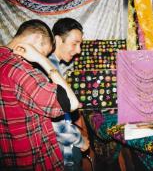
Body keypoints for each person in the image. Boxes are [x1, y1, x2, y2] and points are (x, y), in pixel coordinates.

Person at [0, 19, 80, 170]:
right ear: (36, 39)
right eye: (44, 52)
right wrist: (41, 59)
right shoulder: (18, 69)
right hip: (35, 161)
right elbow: (71, 103)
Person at [50, 18, 89, 170]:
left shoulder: (53, 65)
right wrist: (80, 140)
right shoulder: (49, 68)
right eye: (74, 43)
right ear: (58, 40)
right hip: (61, 150)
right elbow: (57, 124)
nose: (78, 50)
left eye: (80, 45)